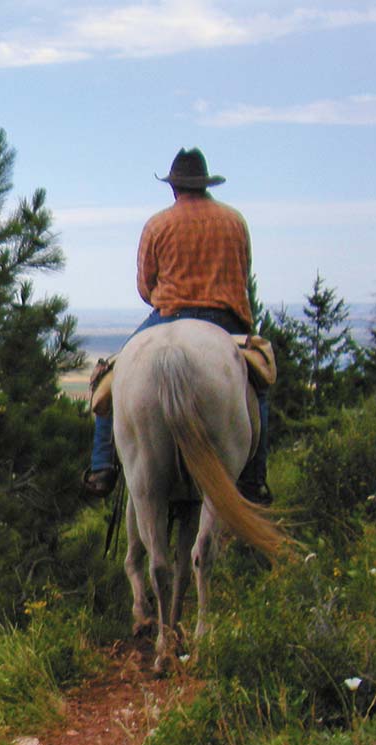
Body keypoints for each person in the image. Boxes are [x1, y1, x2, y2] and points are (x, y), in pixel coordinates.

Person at [84, 148, 271, 504]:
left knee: (110, 376)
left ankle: (102, 466)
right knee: (259, 383)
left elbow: (144, 285)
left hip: (168, 316)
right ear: (205, 184)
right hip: (225, 320)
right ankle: (254, 478)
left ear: (174, 187)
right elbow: (244, 274)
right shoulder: (234, 221)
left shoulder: (158, 224)